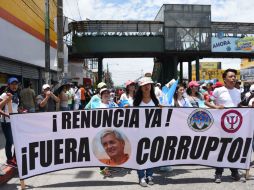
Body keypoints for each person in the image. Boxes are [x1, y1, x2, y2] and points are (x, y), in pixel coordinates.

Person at [205, 69, 241, 183]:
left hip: (235, 126)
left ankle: (234, 171)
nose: (233, 78)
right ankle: (218, 173)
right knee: (222, 149)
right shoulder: (218, 90)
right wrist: (216, 107)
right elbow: (207, 102)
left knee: (233, 148)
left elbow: (238, 106)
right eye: (231, 77)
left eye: (234, 76)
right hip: (220, 125)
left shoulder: (237, 91)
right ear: (224, 79)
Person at [133, 76, 159, 187]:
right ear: (140, 88)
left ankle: (149, 175)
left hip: (152, 133)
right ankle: (141, 177)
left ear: (151, 86)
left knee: (150, 154)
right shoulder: (136, 101)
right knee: (140, 155)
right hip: (139, 133)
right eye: (144, 85)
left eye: (148, 85)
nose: (146, 87)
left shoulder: (155, 100)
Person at [0, 77, 20, 167]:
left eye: (16, 84)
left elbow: (15, 108)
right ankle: (9, 160)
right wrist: (7, 115)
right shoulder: (4, 95)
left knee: (17, 140)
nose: (14, 86)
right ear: (8, 85)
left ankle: (15, 157)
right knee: (10, 140)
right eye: (12, 84)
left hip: (15, 121)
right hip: (6, 122)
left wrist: (21, 111)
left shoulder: (16, 95)